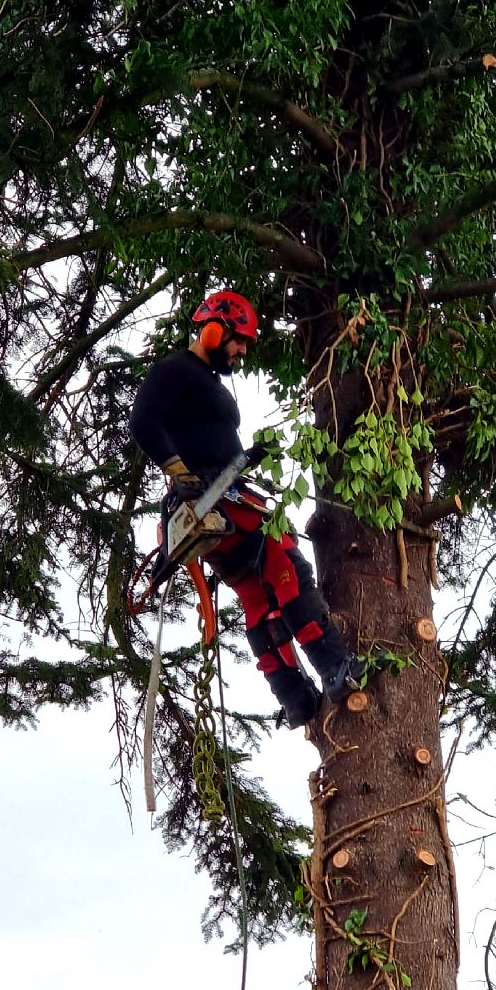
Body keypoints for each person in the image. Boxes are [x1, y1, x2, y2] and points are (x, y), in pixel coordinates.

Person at [129, 289, 365, 728]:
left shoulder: (206, 384)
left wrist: (249, 456)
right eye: (239, 341)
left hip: (217, 499)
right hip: (220, 502)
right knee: (287, 567)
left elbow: (208, 447)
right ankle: (335, 667)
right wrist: (178, 470)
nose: (240, 351)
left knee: (258, 599)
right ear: (214, 330)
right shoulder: (176, 370)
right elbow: (142, 421)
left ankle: (297, 700)